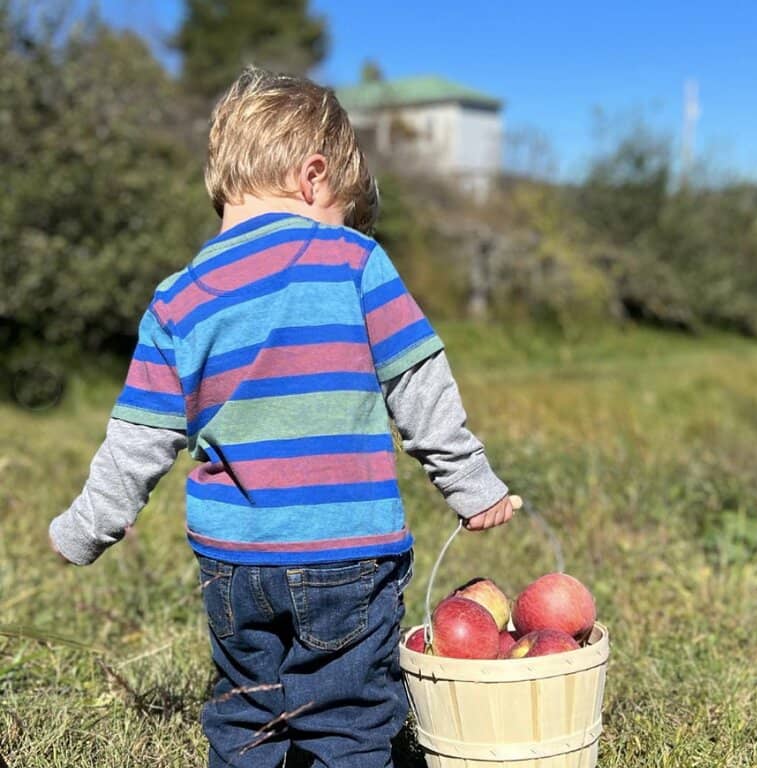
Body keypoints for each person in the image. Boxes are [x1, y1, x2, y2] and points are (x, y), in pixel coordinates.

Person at [48, 66, 516, 768]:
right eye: (344, 211)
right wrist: (470, 484)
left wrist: (85, 528)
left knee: (247, 719)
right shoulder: (353, 261)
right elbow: (419, 384)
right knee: (351, 724)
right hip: (346, 554)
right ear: (314, 178)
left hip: (233, 565)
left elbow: (138, 438)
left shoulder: (178, 298)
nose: (346, 228)